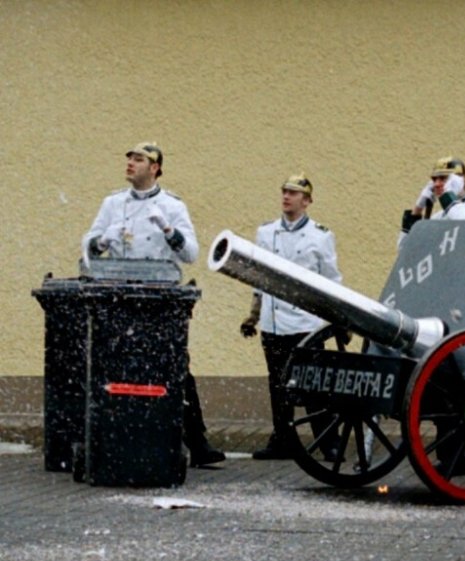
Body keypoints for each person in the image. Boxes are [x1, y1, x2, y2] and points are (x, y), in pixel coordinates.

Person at [82, 142, 224, 468]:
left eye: (139, 159)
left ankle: (196, 441)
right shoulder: (113, 203)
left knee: (174, 368)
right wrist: (102, 241)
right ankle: (116, 437)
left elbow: (190, 254)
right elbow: (88, 249)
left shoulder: (172, 205)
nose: (130, 163)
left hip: (159, 300)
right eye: (129, 158)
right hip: (119, 297)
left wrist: (169, 230)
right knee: (115, 365)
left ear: (155, 168)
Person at [240, 174, 343, 460]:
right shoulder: (266, 232)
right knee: (278, 385)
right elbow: (260, 277)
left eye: (294, 193)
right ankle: (283, 439)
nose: (286, 197)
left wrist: (337, 318)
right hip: (273, 322)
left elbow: (331, 280)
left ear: (307, 201)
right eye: (284, 191)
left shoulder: (320, 236)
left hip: (305, 324)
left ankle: (329, 442)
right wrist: (253, 314)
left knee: (314, 386)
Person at [397, 157, 465, 251]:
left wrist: (448, 196)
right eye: (434, 179)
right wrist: (418, 209)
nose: (436, 184)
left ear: (462, 181)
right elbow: (407, 251)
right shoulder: (439, 217)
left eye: (443, 178)